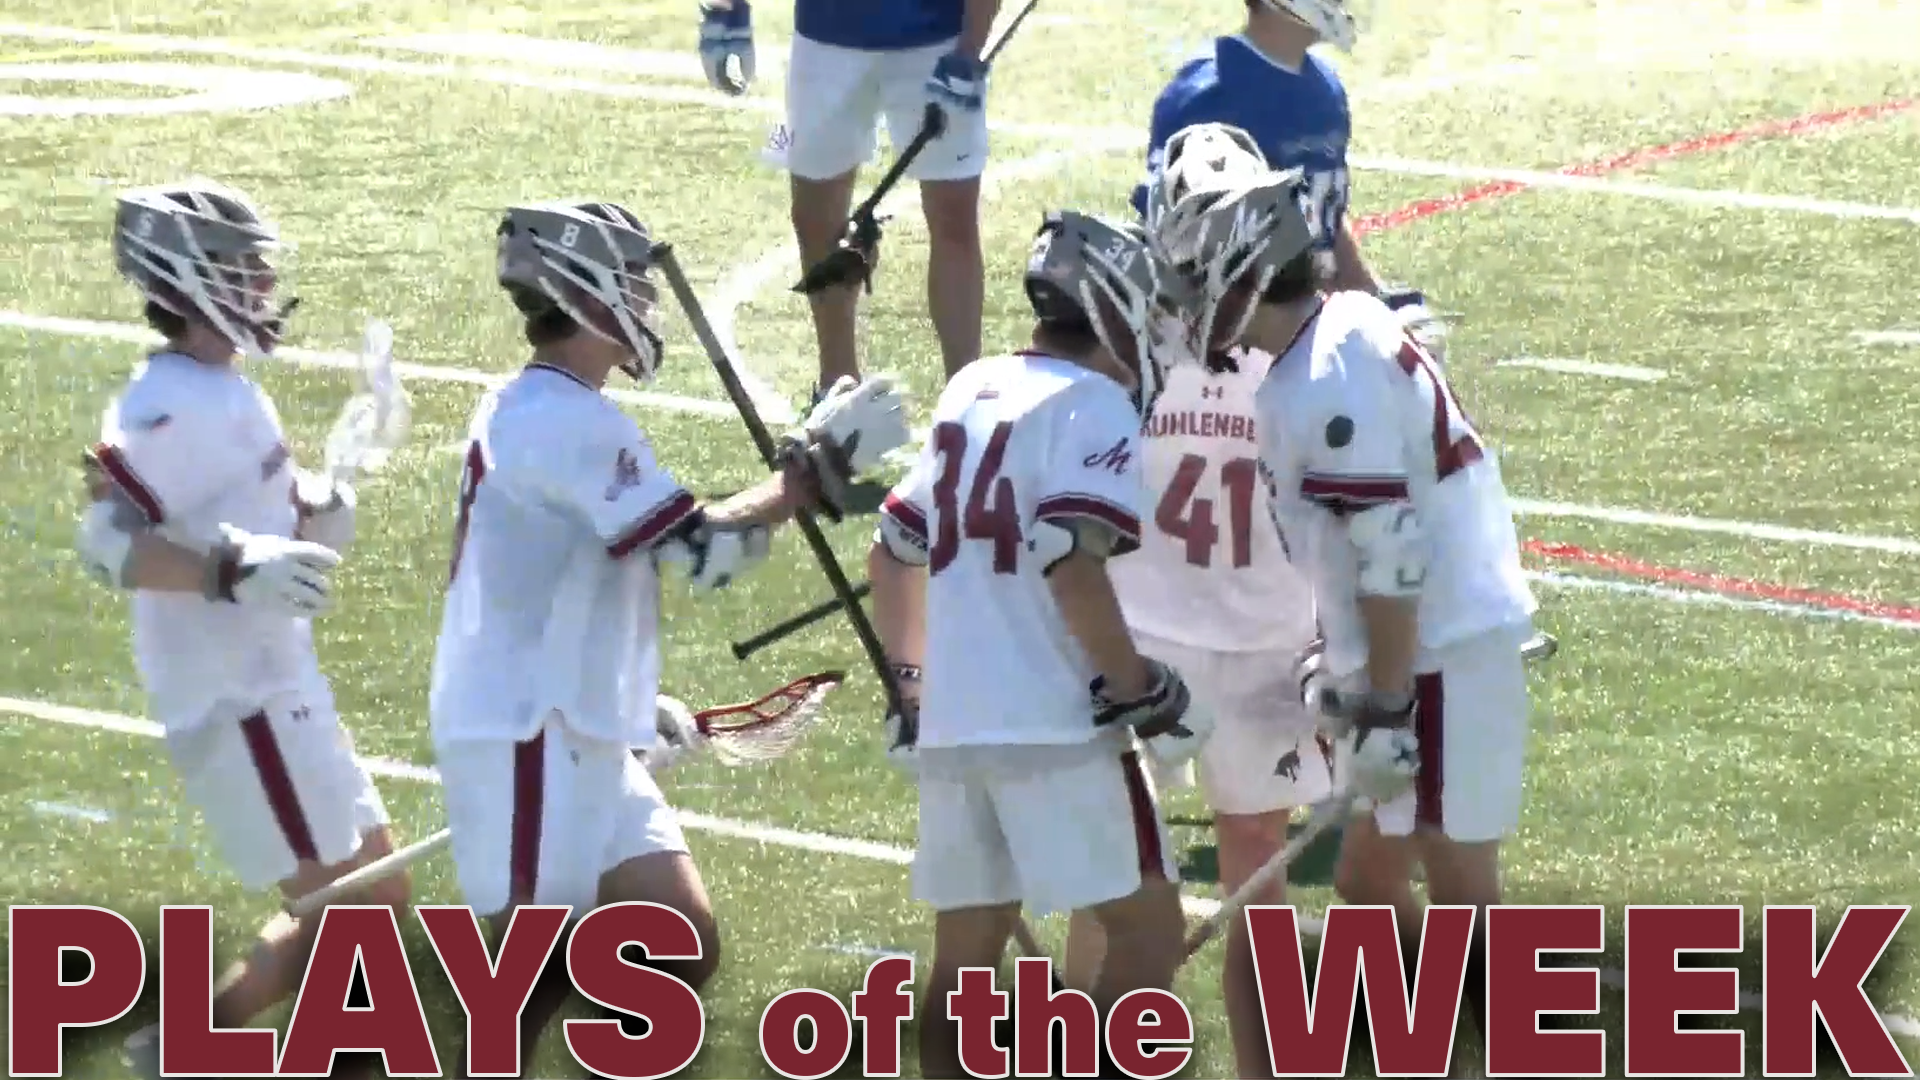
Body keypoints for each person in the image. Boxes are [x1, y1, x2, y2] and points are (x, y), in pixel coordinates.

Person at [428, 199, 909, 1074]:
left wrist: (621, 701)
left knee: (678, 943)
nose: (646, 304)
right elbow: (706, 552)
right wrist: (807, 472)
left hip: (572, 719)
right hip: (528, 725)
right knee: (521, 974)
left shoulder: (538, 404)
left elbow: (569, 568)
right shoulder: (569, 418)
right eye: (632, 286)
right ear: (588, 292)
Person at [1150, 154, 1539, 1064]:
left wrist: (1386, 703)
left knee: (1465, 900)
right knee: (1368, 882)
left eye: (1198, 279)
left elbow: (1390, 551)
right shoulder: (1346, 325)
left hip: (1436, 656)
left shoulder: (1319, 381)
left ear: (1241, 275)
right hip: (1423, 652)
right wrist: (1349, 669)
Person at [76, 179, 409, 1080]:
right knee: (354, 920)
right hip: (238, 699)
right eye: (244, 269)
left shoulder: (225, 388)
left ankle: (176, 1045)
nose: (264, 285)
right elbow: (107, 544)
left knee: (378, 896)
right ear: (190, 277)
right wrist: (231, 570)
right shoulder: (168, 401)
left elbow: (252, 522)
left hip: (280, 683)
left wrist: (326, 497)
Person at [867, 209, 1210, 1079]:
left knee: (966, 953)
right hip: (1054, 721)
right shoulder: (1092, 405)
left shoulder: (972, 384)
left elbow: (891, 548)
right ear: (1114, 308)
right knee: (1147, 931)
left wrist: (911, 686)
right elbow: (1069, 557)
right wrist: (1138, 685)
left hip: (957, 720)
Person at [1062, 124, 1333, 1080]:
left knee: (1115, 874)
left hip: (1141, 638)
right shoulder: (1292, 337)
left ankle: (1093, 1055)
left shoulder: (1129, 339)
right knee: (1254, 871)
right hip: (1260, 634)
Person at [698, 0, 999, 395]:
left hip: (935, 38)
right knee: (815, 219)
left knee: (954, 219)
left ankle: (966, 397)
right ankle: (836, 386)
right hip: (825, 39)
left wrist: (969, 50)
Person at [1131, 0, 1451, 359]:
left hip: (1308, 328)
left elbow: (1320, 217)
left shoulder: (1324, 87)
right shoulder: (1208, 93)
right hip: (1237, 349)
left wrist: (1374, 301)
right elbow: (1170, 248)